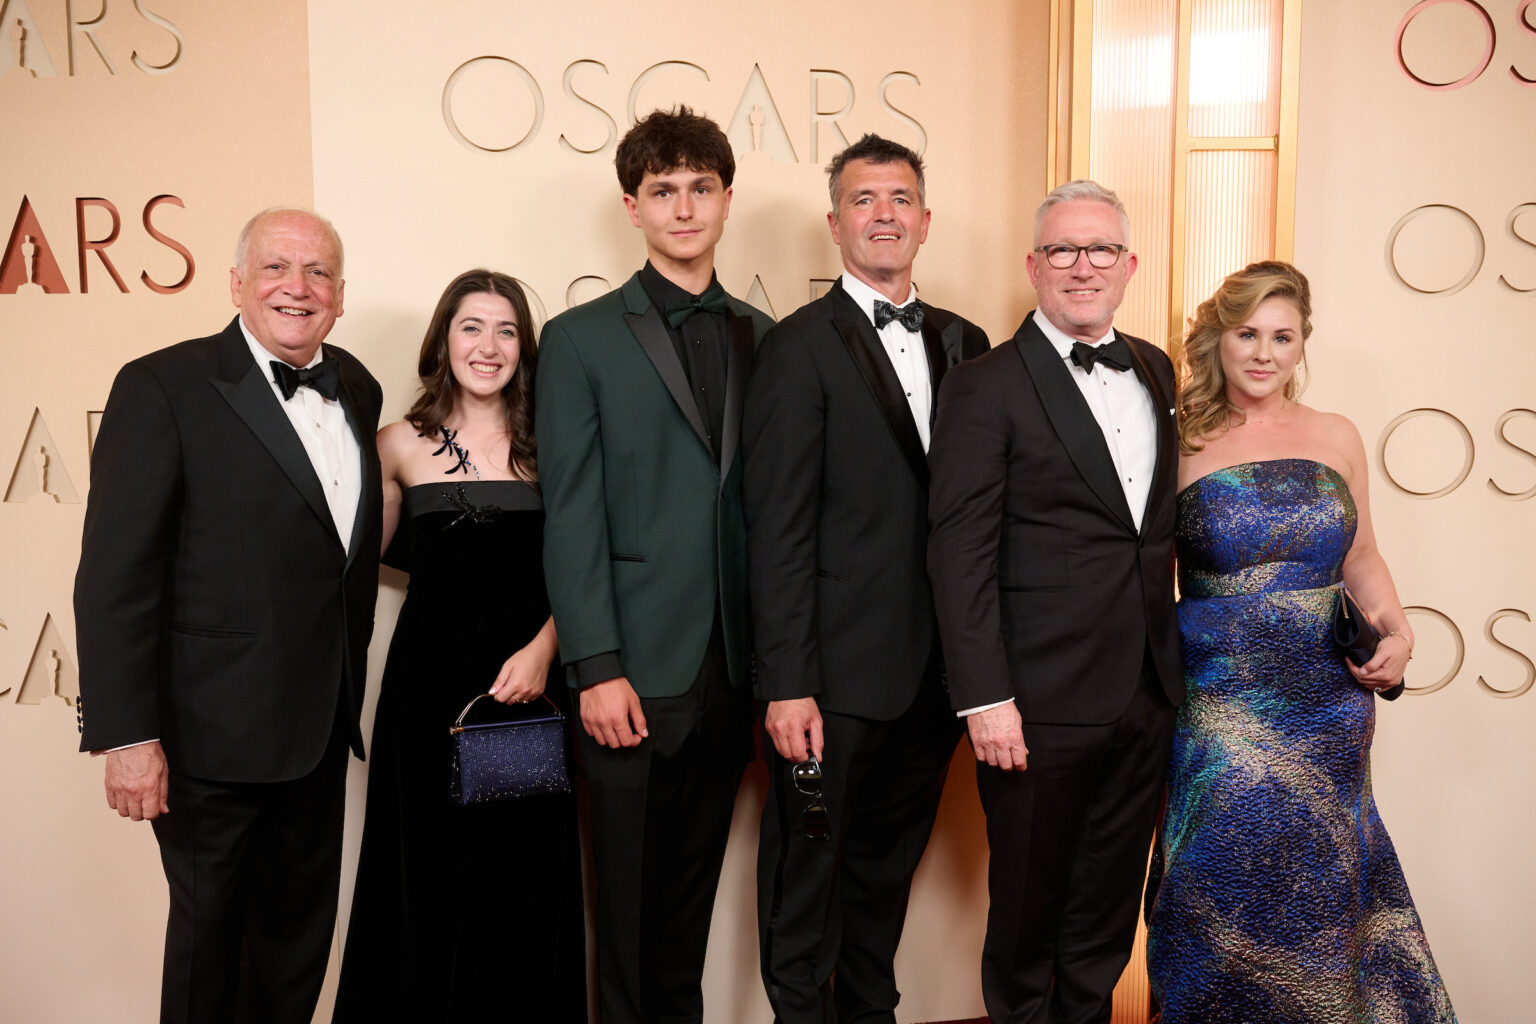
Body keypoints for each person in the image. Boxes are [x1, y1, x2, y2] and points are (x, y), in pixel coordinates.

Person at [74, 208, 382, 1024]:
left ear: (341, 296)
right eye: (277, 267)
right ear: (237, 282)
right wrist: (128, 736)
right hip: (207, 738)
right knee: (210, 953)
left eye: (318, 272)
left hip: (319, 731)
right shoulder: (162, 385)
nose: (298, 286)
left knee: (296, 947)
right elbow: (115, 575)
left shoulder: (355, 383)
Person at [1144, 260, 1456, 1022]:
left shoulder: (1336, 435)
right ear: (1218, 338)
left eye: (1282, 337)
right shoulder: (1178, 441)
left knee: (1318, 884)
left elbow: (1362, 556)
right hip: (1219, 701)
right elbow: (1144, 580)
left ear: (1301, 345)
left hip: (1327, 702)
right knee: (1219, 876)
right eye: (1247, 333)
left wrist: (1399, 627)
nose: (1262, 353)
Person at [535, 106, 774, 1024]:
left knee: (688, 907)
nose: (684, 208)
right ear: (632, 206)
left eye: (701, 189)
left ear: (725, 200)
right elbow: (572, 515)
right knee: (628, 919)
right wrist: (595, 665)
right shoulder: (581, 338)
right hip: (632, 666)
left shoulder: (766, 331)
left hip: (732, 670)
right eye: (663, 191)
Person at [743, 133, 989, 1023]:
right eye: (863, 199)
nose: (883, 214)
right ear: (835, 221)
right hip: (833, 680)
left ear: (925, 220)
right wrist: (789, 683)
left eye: (899, 199)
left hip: (938, 679)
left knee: (885, 878)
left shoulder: (968, 341)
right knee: (804, 884)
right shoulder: (798, 347)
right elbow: (775, 527)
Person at [926, 180, 1183, 1024]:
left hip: (1147, 695)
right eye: (1064, 251)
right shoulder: (983, 385)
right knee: (1030, 920)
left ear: (1129, 265)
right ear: (1033, 267)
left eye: (1101, 250)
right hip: (1034, 703)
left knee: (1105, 923)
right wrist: (985, 699)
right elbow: (958, 553)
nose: (1084, 267)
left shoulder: (1155, 366)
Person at [332, 270, 585, 1021]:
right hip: (426, 694)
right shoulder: (394, 445)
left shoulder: (558, 446)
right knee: (426, 872)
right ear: (444, 340)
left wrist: (546, 649)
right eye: (472, 326)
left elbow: (586, 561)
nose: (489, 345)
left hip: (525, 693)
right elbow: (348, 565)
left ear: (524, 349)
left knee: (517, 874)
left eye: (507, 330)